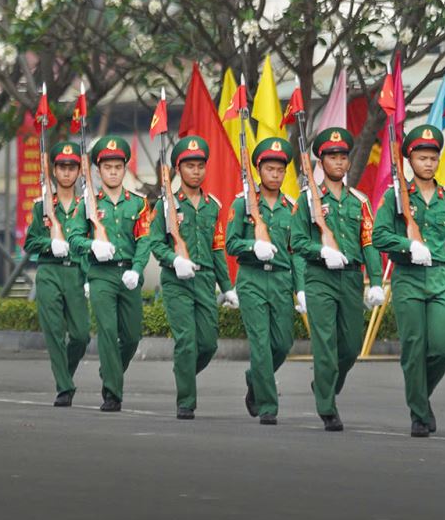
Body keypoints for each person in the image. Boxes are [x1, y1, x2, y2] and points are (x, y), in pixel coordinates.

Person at [372, 123, 445, 438]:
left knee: (442, 348)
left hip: (440, 278)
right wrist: (408, 245)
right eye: (422, 158)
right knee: (414, 347)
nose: (428, 163)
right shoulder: (396, 197)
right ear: (410, 161)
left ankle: (420, 395)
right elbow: (378, 236)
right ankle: (419, 412)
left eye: (433, 158)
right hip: (408, 278)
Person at [291, 126, 383, 432]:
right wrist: (321, 251)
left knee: (350, 348)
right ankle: (327, 407)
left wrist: (377, 280)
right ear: (321, 161)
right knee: (326, 346)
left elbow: (368, 243)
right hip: (320, 278)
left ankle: (324, 384)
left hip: (352, 280)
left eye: (343, 156)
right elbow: (297, 241)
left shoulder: (359, 201)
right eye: (332, 157)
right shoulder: (308, 199)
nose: (339, 162)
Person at [144, 135, 233, 420]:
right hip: (176, 281)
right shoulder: (165, 206)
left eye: (200, 166)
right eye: (189, 166)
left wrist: (228, 287)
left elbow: (217, 248)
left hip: (205, 280)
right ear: (178, 169)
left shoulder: (213, 206)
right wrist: (174, 260)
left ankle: (183, 370)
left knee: (208, 343)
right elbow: (155, 243)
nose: (196, 171)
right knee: (186, 340)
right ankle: (186, 401)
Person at [226, 138, 304, 425]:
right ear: (259, 170)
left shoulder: (292, 208)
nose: (275, 174)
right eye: (270, 169)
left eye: (280, 170)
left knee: (283, 343)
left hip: (281, 279)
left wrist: (301, 289)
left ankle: (254, 377)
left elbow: (296, 251)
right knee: (260, 343)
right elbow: (231, 243)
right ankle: (268, 405)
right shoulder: (243, 203)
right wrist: (252, 247)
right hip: (252, 279)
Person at [77, 134, 149, 413]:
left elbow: (144, 240)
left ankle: (110, 370)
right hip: (101, 275)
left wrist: (137, 268)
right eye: (107, 167)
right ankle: (112, 392)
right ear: (98, 170)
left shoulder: (138, 204)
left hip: (128, 273)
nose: (113, 172)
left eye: (118, 167)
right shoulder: (89, 204)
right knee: (107, 332)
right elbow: (74, 239)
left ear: (125, 169)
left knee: (131, 337)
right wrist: (92, 245)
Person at [23, 138, 91, 408]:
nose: (66, 172)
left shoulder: (87, 206)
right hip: (49, 271)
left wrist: (87, 277)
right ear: (53, 169)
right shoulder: (43, 206)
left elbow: (90, 242)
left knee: (81, 335)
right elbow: (29, 243)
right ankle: (64, 386)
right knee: (54, 331)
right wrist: (49, 243)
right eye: (62, 167)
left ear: (78, 171)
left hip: (74, 271)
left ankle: (66, 372)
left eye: (71, 167)